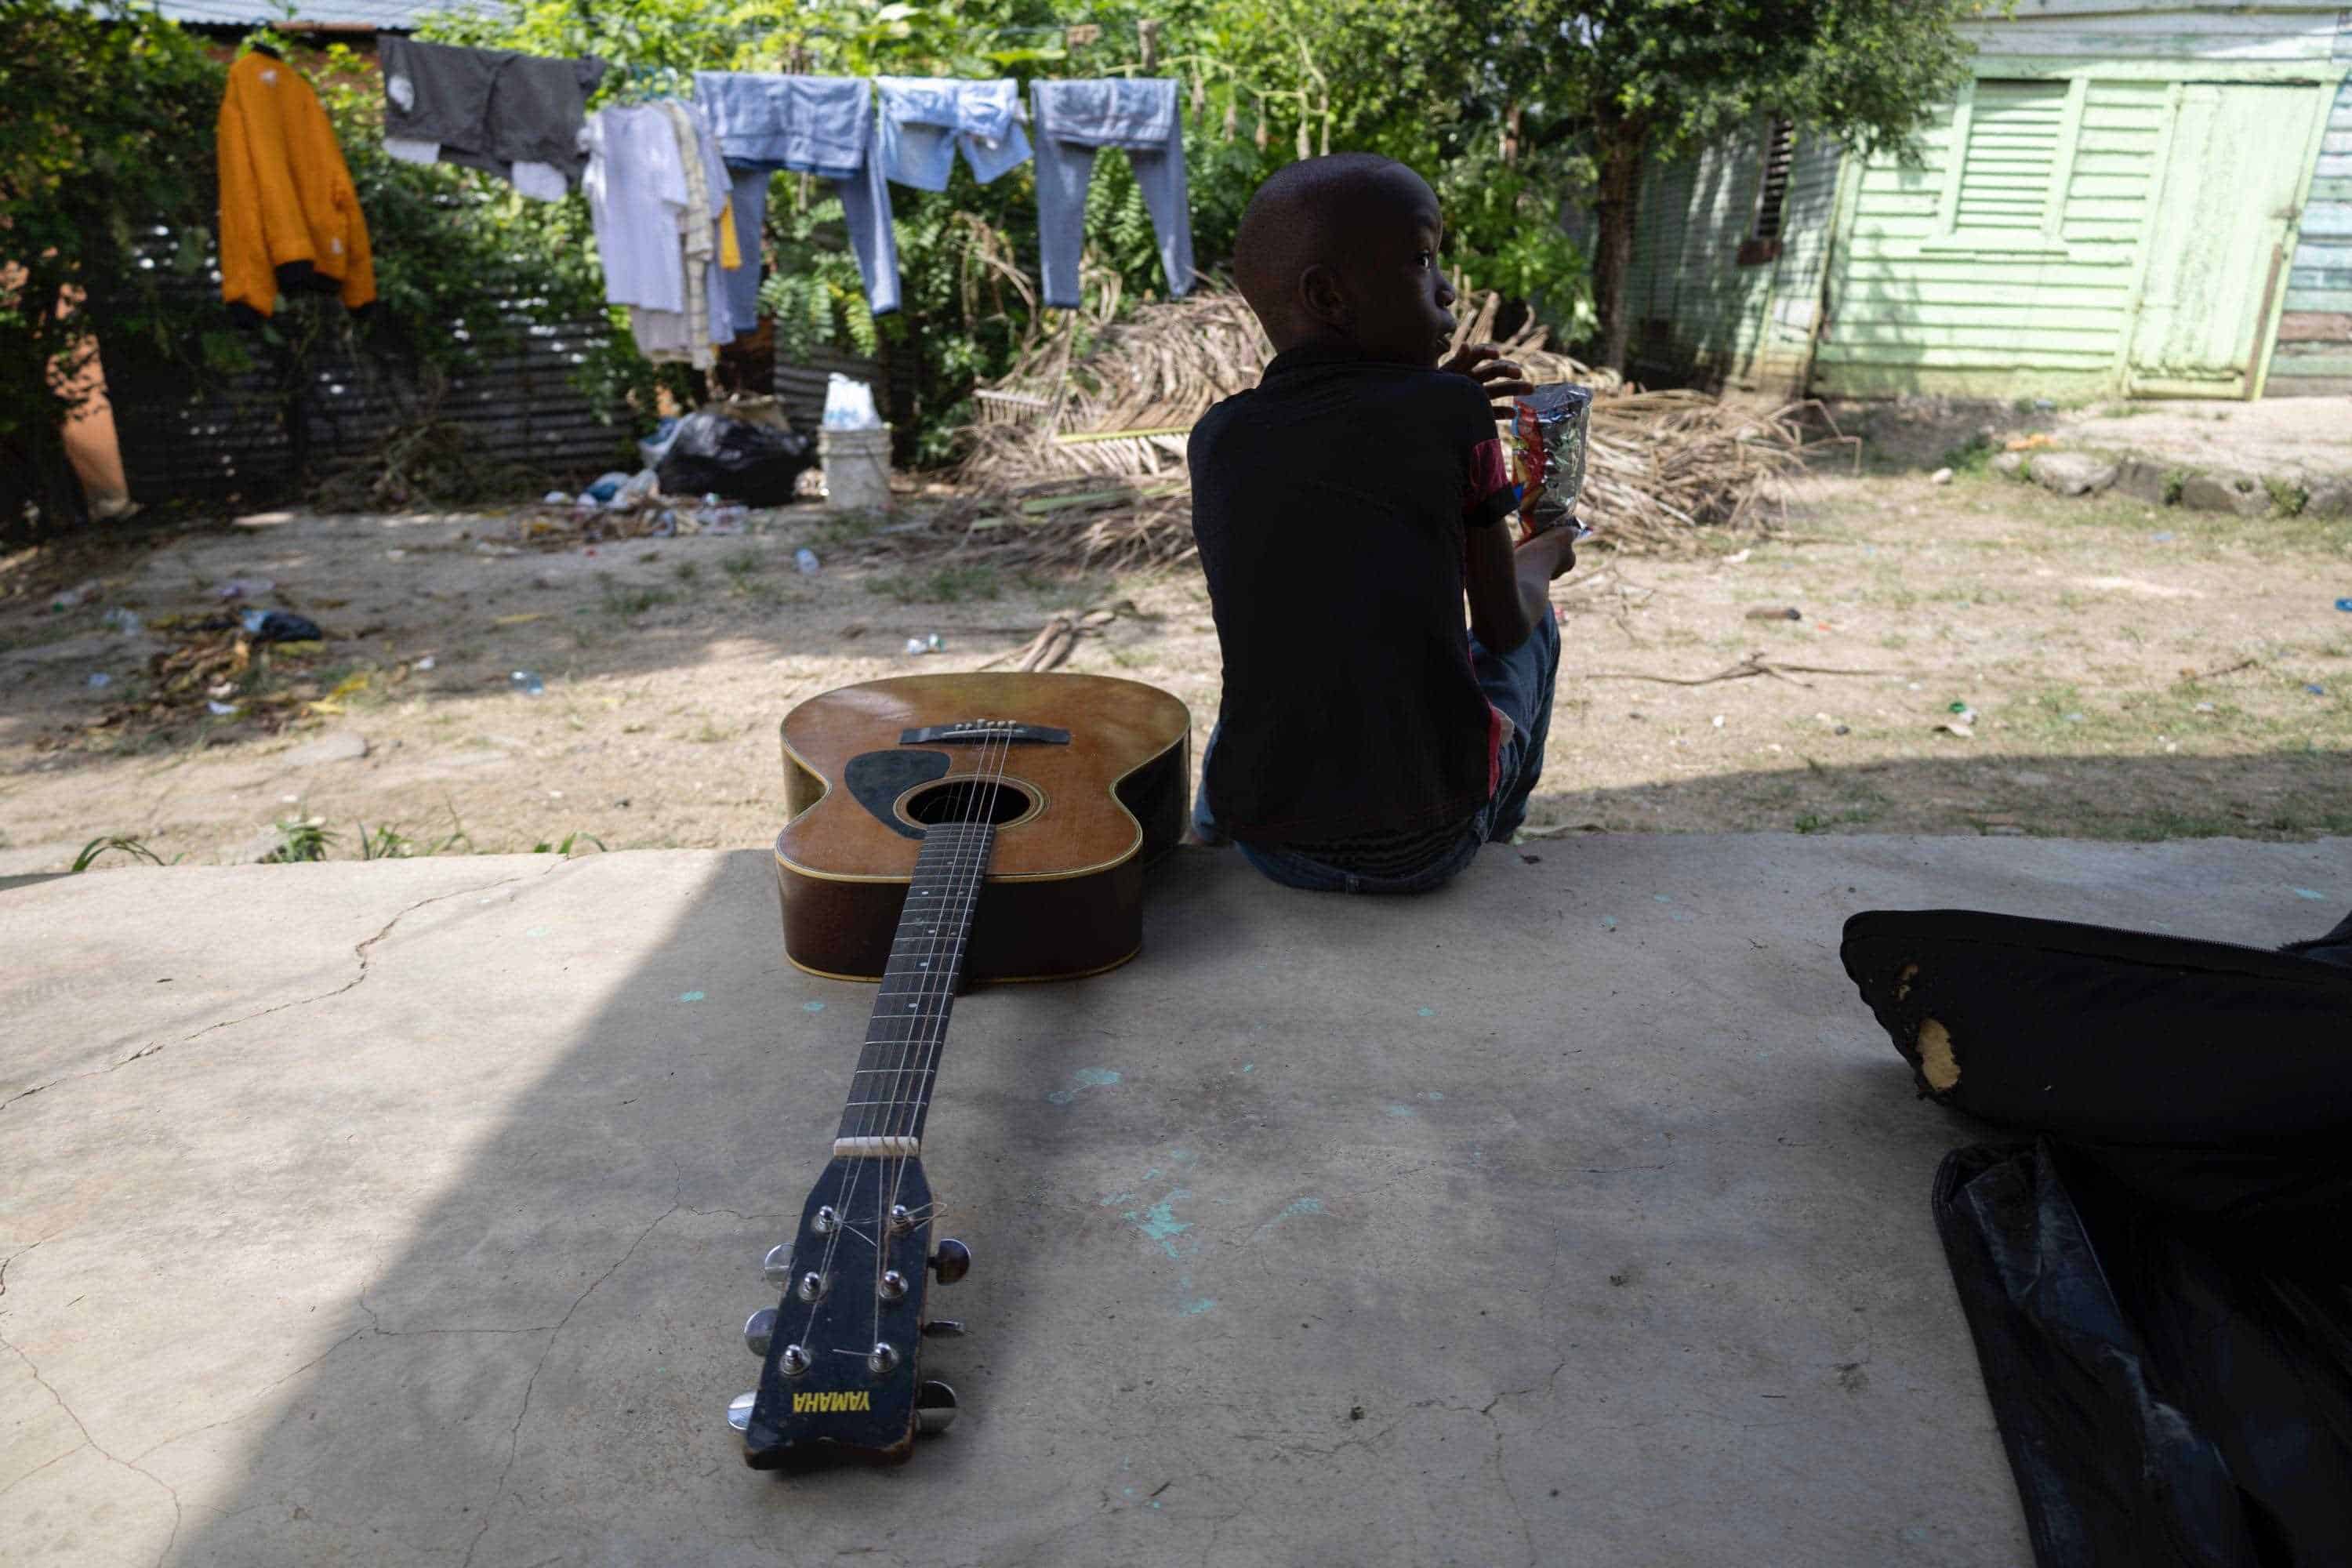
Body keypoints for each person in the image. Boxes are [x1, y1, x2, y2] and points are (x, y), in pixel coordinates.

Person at [1188, 153, 1580, 893]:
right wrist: (1547, 552)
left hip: (1267, 837)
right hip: (1421, 843)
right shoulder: (1451, 413)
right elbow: (1500, 625)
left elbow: (1350, 449)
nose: (1447, 288)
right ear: (1330, 295)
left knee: (1283, 654)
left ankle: (1207, 820)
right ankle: (1496, 826)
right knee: (1539, 624)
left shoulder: (1219, 435)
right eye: (1422, 258)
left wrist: (1433, 396)